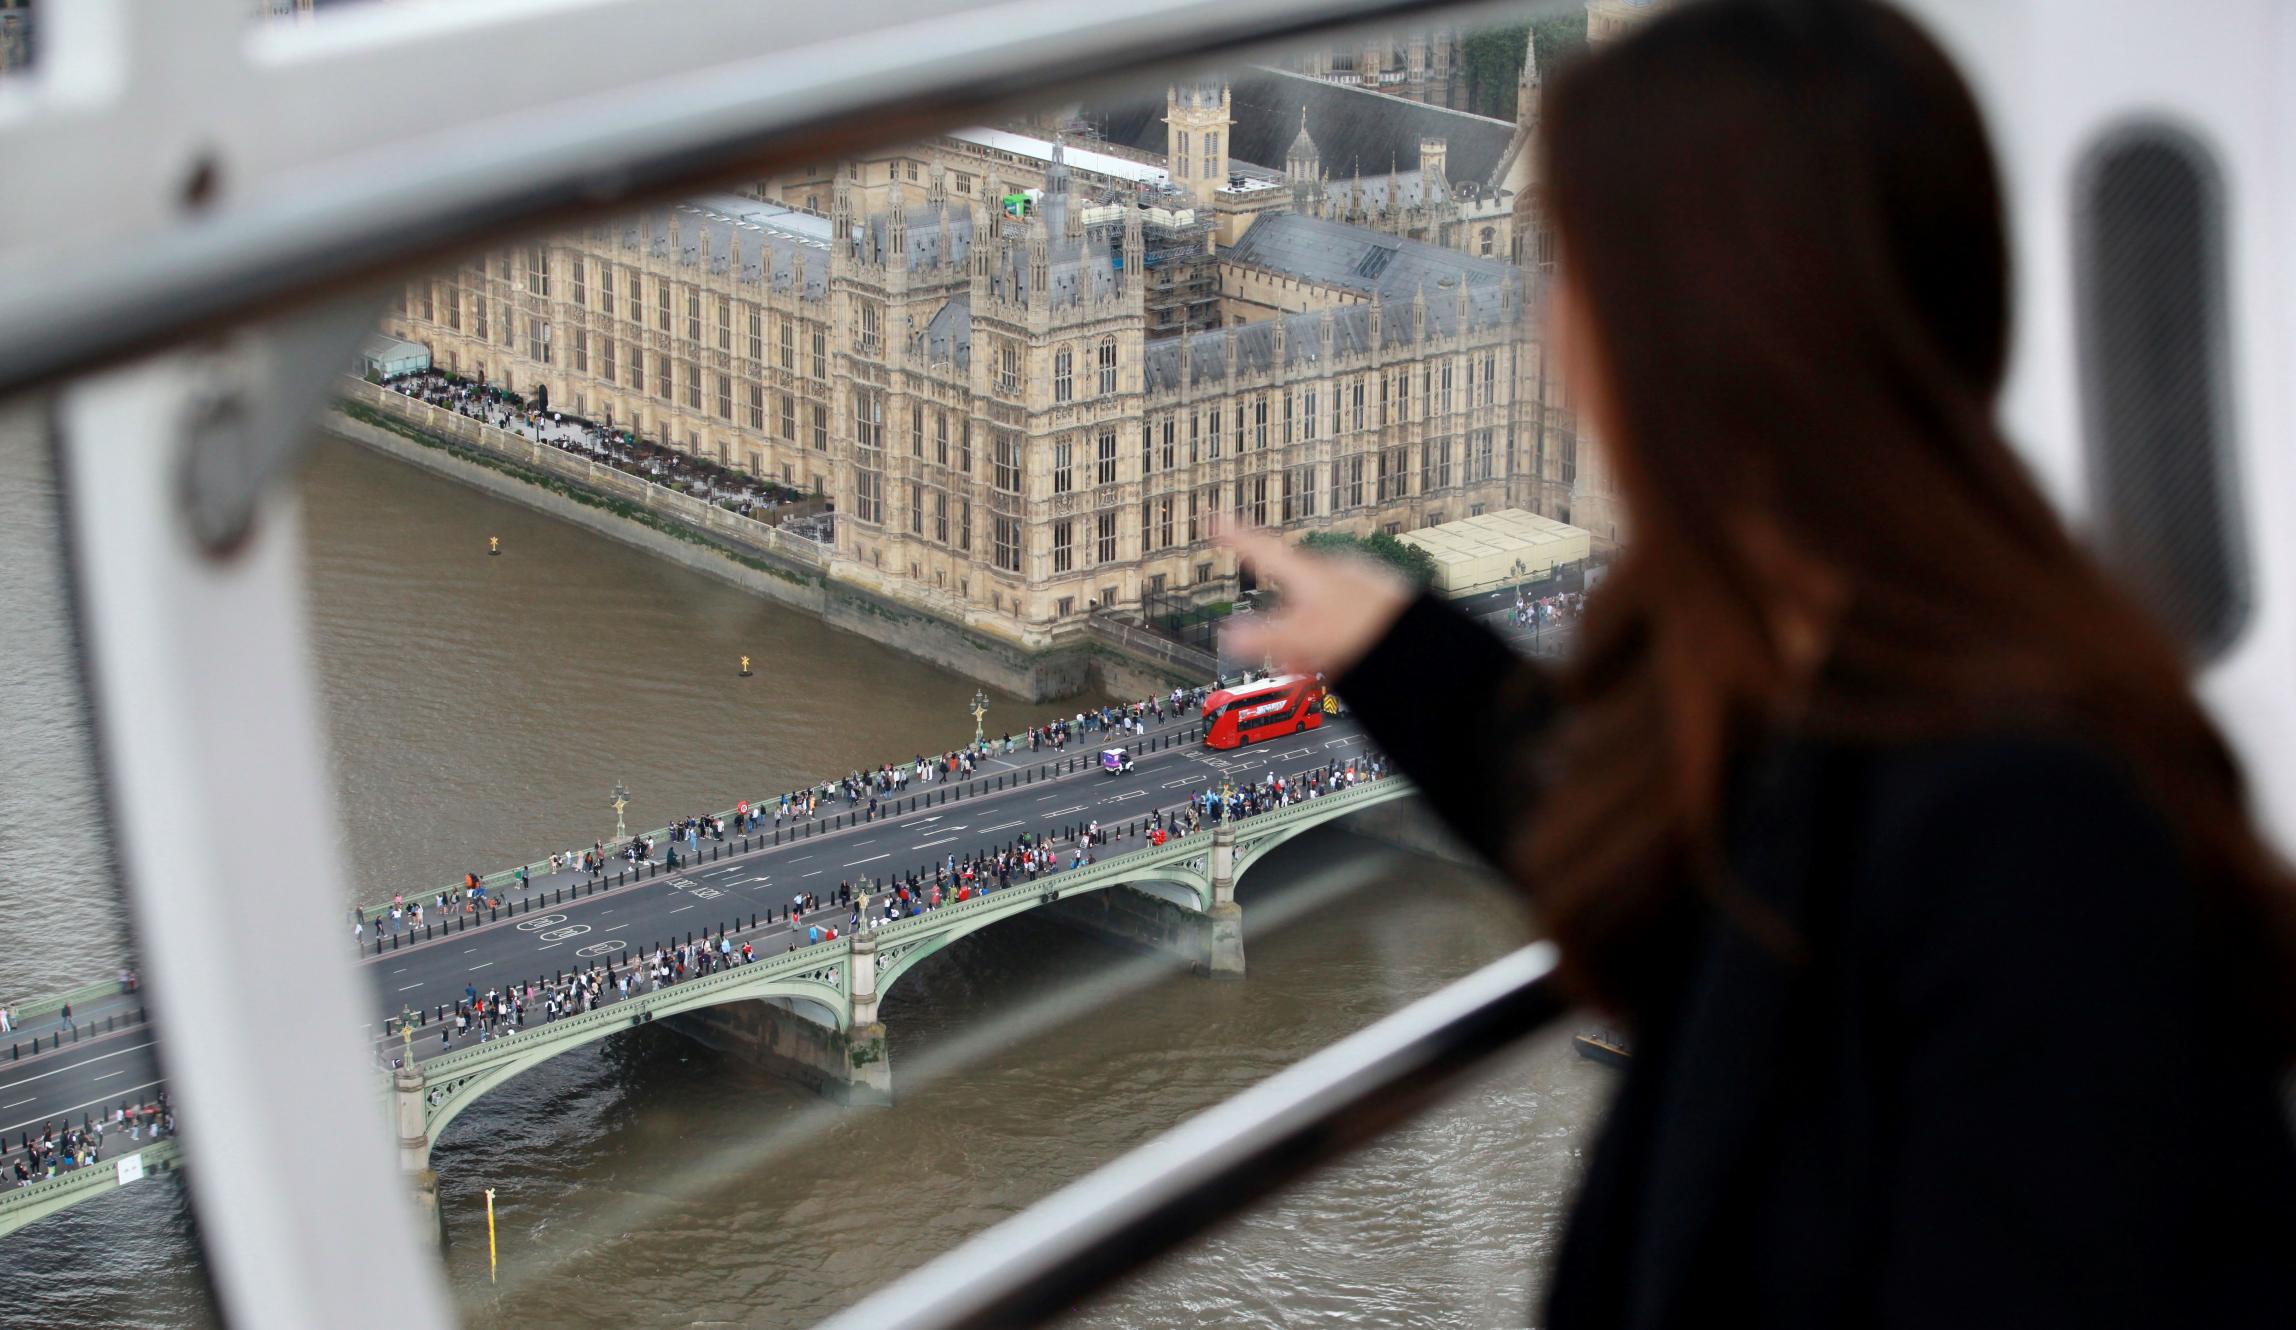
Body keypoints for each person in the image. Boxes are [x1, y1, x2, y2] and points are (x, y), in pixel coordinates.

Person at [1221, 4, 2296, 1326]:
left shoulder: (2036, 833)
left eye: (1574, 267)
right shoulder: (1860, 667)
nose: (1542, 322)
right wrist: (1398, 648)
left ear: (1708, 329)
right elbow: (1682, 875)